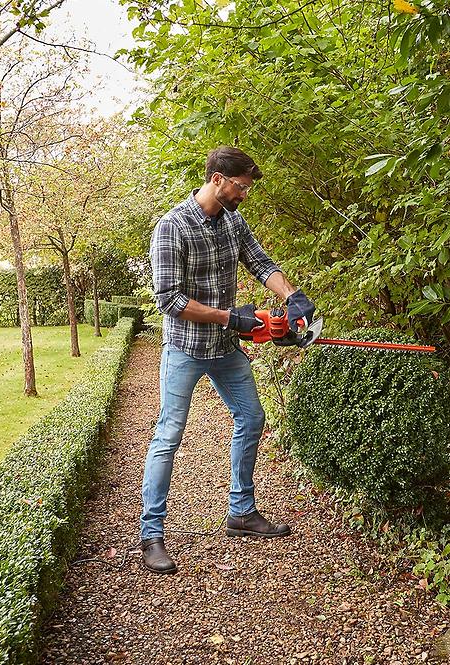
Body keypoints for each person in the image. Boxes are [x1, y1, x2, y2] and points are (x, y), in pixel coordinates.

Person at [140, 146, 316, 574]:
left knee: (252, 418)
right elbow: (169, 299)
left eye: (247, 189)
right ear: (217, 179)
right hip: (185, 348)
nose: (244, 195)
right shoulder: (172, 227)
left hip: (225, 350)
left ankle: (241, 512)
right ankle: (151, 534)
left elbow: (259, 261)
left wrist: (291, 296)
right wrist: (229, 316)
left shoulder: (233, 221)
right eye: (240, 187)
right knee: (169, 435)